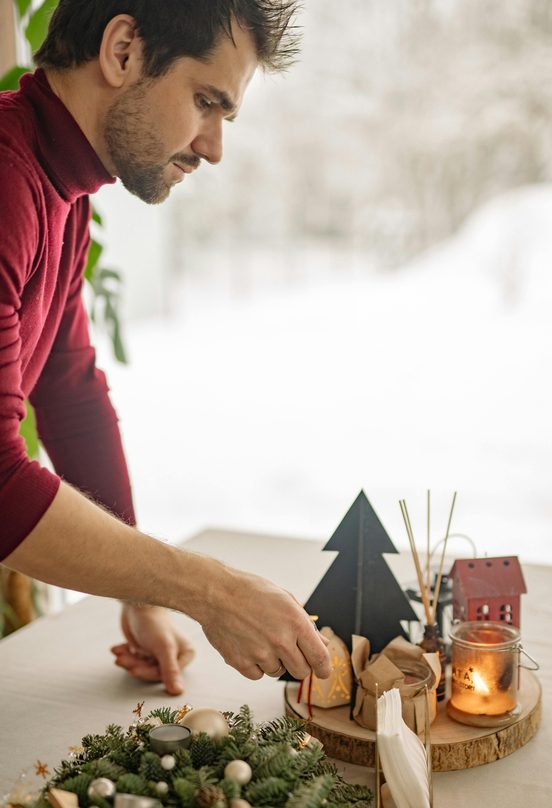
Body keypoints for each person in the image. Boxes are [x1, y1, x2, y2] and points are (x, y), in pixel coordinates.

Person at [0, 0, 331, 694]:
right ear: (122, 50)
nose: (212, 146)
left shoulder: (61, 189)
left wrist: (144, 597)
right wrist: (209, 592)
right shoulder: (7, 184)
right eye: (206, 102)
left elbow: (71, 389)